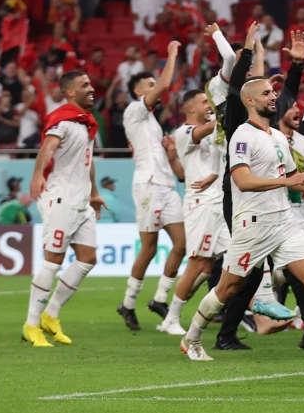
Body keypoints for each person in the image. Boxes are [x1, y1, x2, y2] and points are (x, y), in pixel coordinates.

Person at [179, 77, 304, 363]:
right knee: (228, 288)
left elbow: (294, 180)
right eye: (266, 93)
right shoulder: (242, 135)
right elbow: (242, 180)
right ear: (249, 100)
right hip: (253, 224)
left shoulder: (276, 136)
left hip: (285, 221)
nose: (273, 97)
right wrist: (285, 181)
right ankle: (192, 337)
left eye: (274, 92)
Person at [22, 71, 104, 347]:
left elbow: (87, 160)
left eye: (90, 84)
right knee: (53, 260)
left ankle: (51, 314)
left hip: (81, 201)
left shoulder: (85, 124)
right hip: (61, 198)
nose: (91, 88)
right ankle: (31, 324)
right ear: (70, 93)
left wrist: (93, 193)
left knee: (87, 258)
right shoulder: (64, 120)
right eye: (85, 85)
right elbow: (47, 147)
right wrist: (36, 176)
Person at [118, 41, 187, 331]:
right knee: (148, 248)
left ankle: (159, 298)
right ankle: (128, 303)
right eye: (149, 83)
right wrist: (170, 54)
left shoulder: (153, 122)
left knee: (183, 244)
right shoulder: (134, 110)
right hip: (147, 186)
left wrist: (170, 152)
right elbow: (166, 84)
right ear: (138, 91)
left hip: (167, 186)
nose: (155, 85)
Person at [156, 89, 231, 336]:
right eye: (203, 102)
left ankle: (182, 311)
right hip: (201, 204)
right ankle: (171, 318)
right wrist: (227, 111)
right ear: (190, 109)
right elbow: (206, 130)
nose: (208, 105)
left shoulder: (210, 135)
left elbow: (182, 173)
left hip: (218, 203)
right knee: (198, 262)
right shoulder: (185, 132)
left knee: (210, 265)